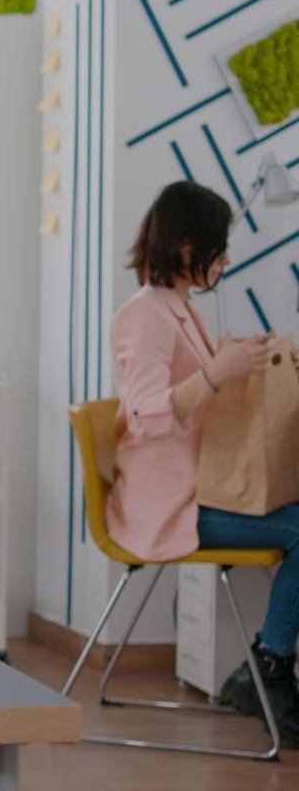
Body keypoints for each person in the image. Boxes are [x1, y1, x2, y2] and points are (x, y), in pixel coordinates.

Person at [109, 180, 299, 747]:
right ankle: (268, 668)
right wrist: (220, 371)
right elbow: (146, 415)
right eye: (219, 247)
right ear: (188, 247)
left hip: (202, 486)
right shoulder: (143, 316)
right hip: (170, 503)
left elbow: (199, 388)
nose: (226, 258)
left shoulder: (178, 310)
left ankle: (264, 664)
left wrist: (252, 360)